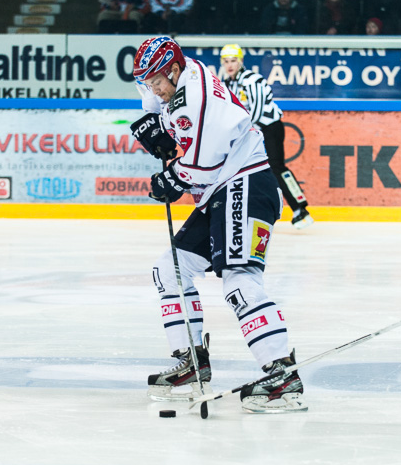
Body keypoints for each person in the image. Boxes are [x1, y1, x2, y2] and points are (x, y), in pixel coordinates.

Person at [129, 36, 306, 413]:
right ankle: (192, 362)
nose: (152, 89)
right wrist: (153, 122)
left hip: (246, 181)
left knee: (239, 280)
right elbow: (158, 105)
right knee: (169, 268)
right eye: (147, 82)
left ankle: (281, 373)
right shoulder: (178, 74)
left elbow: (202, 166)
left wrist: (170, 177)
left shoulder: (195, 102)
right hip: (221, 190)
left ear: (174, 71)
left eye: (157, 81)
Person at [219, 43, 314, 229]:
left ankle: (300, 208)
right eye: (226, 61)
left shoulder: (251, 79)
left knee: (276, 167)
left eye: (233, 60)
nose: (230, 65)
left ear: (240, 61)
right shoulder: (228, 84)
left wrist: (241, 132)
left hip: (269, 127)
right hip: (252, 131)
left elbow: (256, 110)